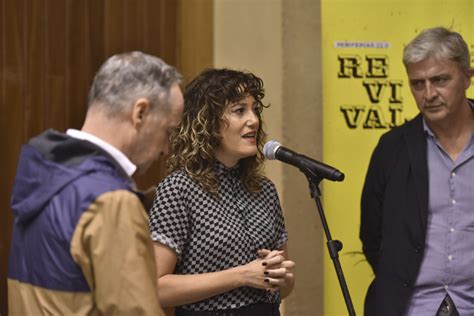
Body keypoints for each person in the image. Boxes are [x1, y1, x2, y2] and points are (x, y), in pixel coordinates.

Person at [7, 51, 184, 315]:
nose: (167, 149)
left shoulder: (45, 173)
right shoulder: (110, 200)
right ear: (140, 113)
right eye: (168, 131)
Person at [149, 68, 295, 316]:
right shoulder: (179, 189)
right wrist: (241, 275)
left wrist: (280, 276)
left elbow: (286, 287)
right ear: (207, 122)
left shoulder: (264, 190)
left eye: (255, 109)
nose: (254, 120)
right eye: (240, 110)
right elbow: (155, 288)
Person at [360, 26, 474, 316]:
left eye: (440, 80)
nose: (429, 93)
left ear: (467, 77)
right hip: (411, 308)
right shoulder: (392, 148)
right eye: (418, 84)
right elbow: (372, 236)